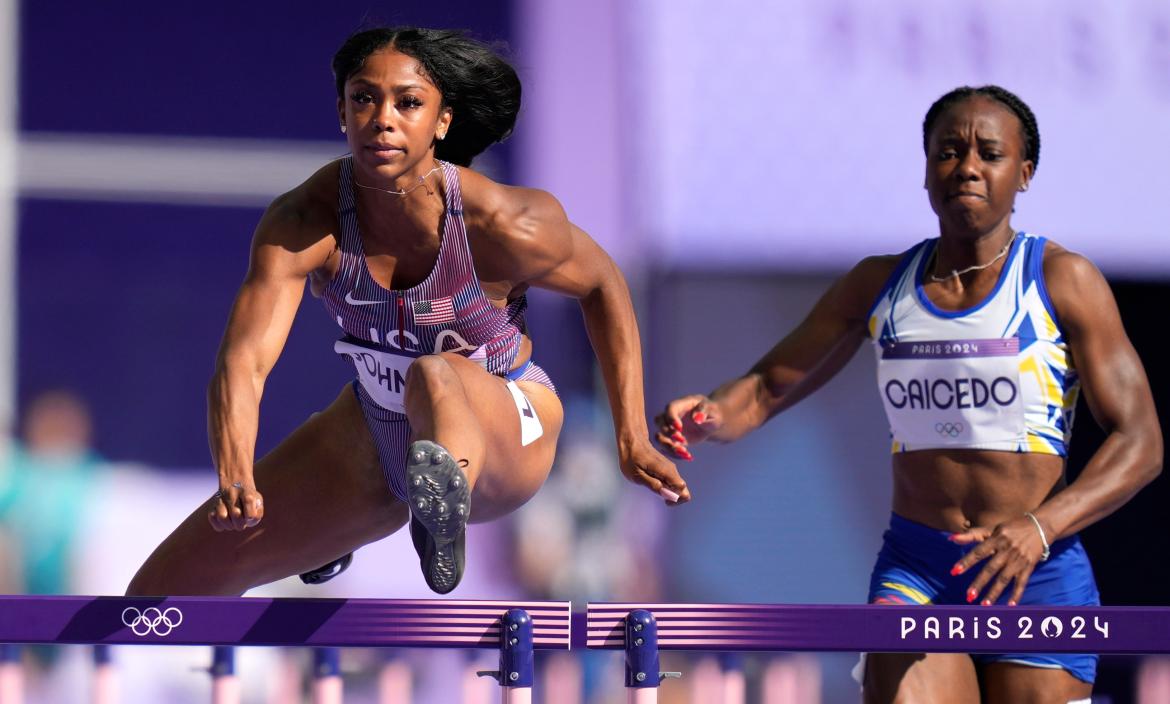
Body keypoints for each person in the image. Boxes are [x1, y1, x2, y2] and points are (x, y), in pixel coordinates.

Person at [127, 26, 688, 597]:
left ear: (442, 122)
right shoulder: (304, 220)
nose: (382, 118)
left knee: (434, 372)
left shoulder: (501, 222)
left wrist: (632, 434)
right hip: (376, 427)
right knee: (160, 593)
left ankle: (437, 508)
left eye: (408, 102)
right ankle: (363, 522)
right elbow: (243, 362)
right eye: (363, 98)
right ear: (342, 113)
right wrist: (236, 473)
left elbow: (603, 284)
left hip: (508, 424)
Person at [655, 85, 1162, 702]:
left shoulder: (1063, 280)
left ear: (1023, 174)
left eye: (989, 153)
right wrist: (709, 415)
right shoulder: (880, 283)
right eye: (948, 151)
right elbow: (765, 387)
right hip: (919, 566)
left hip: (1036, 568)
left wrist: (1039, 527)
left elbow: (1142, 442)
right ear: (926, 171)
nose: (967, 166)